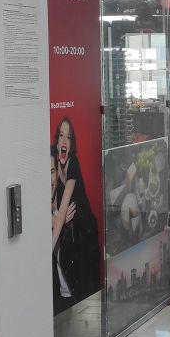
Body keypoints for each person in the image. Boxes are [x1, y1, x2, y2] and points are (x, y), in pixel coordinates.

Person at [52, 117, 101, 307]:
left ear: (71, 145)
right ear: (57, 142)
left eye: (68, 137)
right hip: (70, 232)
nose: (64, 140)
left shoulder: (73, 163)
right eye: (61, 135)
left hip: (85, 233)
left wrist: (47, 250)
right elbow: (55, 208)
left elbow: (63, 207)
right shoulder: (53, 162)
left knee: (86, 293)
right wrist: (58, 218)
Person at [51, 146, 77, 299]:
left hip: (71, 293)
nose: (50, 179)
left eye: (52, 172)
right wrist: (59, 220)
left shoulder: (62, 201)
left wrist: (59, 220)